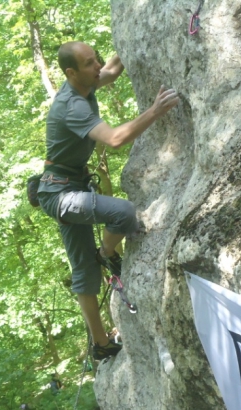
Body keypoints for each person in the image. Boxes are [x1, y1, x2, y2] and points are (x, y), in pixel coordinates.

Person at [36, 41, 179, 361]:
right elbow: (115, 139)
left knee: (84, 274)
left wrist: (128, 32)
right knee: (124, 213)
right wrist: (155, 111)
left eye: (96, 58)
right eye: (89, 63)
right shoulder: (71, 104)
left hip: (67, 188)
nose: (97, 65)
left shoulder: (86, 80)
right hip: (60, 195)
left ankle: (101, 345)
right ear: (71, 72)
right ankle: (107, 251)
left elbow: (112, 70)